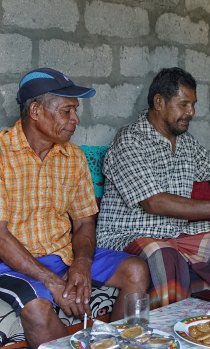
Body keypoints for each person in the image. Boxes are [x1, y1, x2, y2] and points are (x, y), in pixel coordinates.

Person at [0, 68, 149, 347]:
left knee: (136, 270)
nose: (75, 120)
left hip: (61, 254)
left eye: (75, 111)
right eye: (67, 111)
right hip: (9, 264)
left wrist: (82, 263)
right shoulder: (1, 154)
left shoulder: (73, 157)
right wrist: (53, 283)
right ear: (35, 110)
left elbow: (84, 223)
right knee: (38, 308)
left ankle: (116, 344)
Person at [96, 67, 210, 307]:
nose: (191, 112)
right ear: (159, 102)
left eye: (193, 105)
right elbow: (154, 202)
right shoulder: (130, 140)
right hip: (128, 235)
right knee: (164, 256)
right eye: (183, 104)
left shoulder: (186, 143)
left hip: (175, 233)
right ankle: (168, 334)